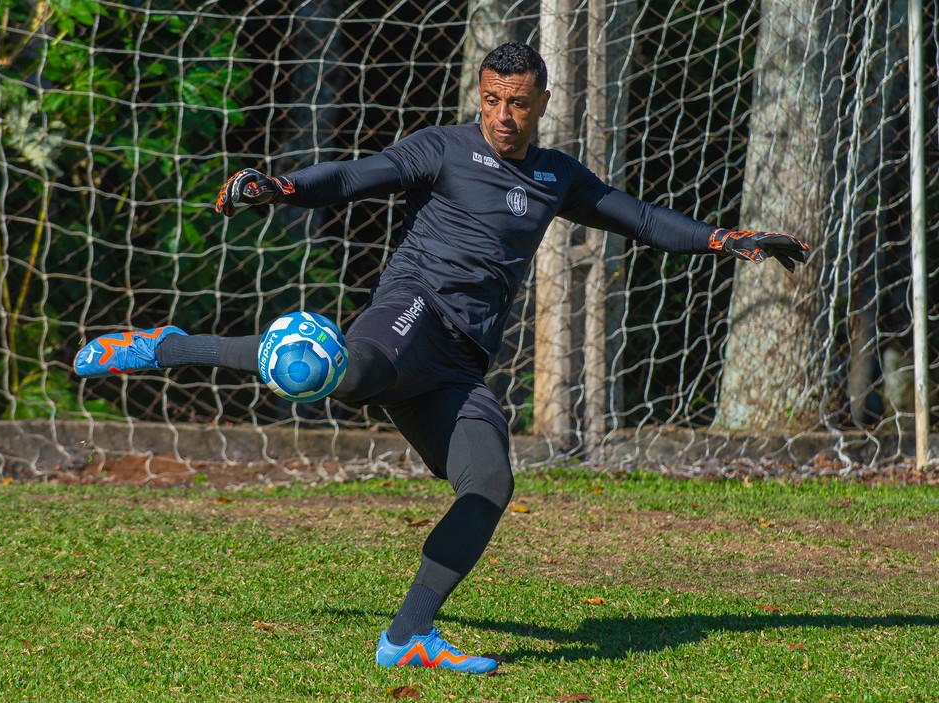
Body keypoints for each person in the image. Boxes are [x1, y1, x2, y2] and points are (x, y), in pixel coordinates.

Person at [74, 42, 808, 674]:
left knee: (487, 480)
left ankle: (408, 634)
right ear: (479, 96)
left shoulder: (556, 178)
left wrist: (723, 239)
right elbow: (356, 176)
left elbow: (639, 218)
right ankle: (163, 346)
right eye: (491, 100)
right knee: (345, 373)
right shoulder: (444, 149)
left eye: (518, 103)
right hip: (410, 313)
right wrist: (280, 186)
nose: (502, 116)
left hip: (458, 363)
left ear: (542, 101)